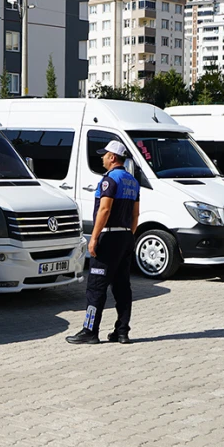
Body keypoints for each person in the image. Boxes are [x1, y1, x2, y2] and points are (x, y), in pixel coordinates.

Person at [66, 140, 140, 345]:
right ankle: (122, 331)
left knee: (96, 287)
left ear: (113, 157)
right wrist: (129, 237)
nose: (102, 157)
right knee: (122, 287)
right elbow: (136, 215)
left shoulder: (109, 180)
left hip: (109, 238)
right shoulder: (132, 181)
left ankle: (90, 331)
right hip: (125, 236)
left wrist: (95, 237)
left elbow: (105, 210)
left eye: (105, 154)